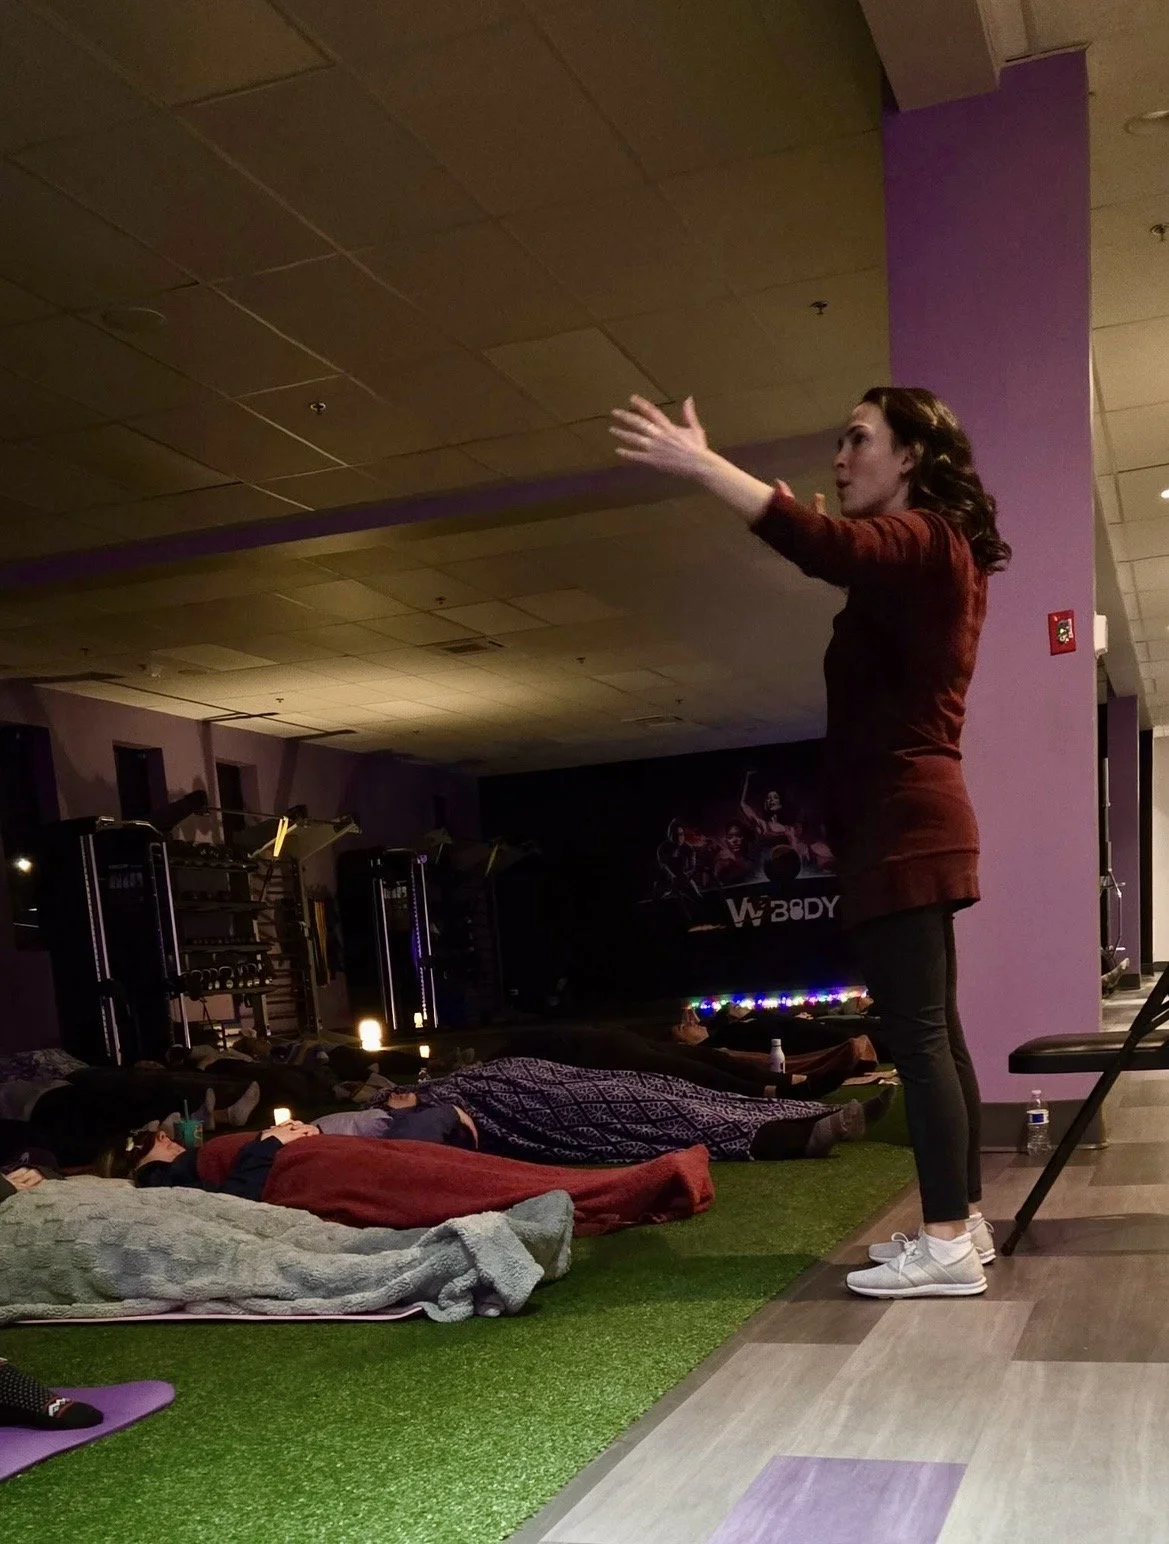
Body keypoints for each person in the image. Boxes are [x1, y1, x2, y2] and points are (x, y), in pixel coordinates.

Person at [612, 386, 1011, 1299]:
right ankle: (963, 1224)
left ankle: (947, 1244)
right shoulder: (933, 553)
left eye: (858, 439)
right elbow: (850, 561)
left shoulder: (925, 537)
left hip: (902, 823)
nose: (840, 455)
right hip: (912, 819)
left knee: (917, 1037)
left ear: (910, 456)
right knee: (935, 1033)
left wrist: (702, 465)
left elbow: (824, 547)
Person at [372, 1058, 894, 1165]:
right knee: (642, 1108)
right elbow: (423, 1142)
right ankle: (789, 1137)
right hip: (519, 1108)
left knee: (656, 1083)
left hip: (531, 1079)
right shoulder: (394, 1117)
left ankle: (807, 1112)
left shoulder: (419, 1088)